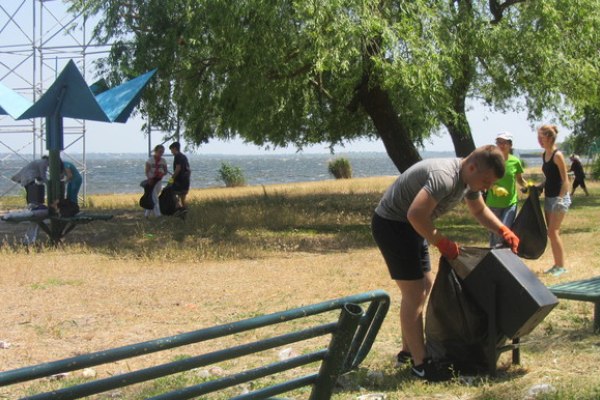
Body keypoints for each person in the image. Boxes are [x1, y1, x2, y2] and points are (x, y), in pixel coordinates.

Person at [371, 145, 520, 382]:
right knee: (415, 294)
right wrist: (442, 242)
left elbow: (479, 210)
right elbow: (415, 214)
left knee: (425, 285)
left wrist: (503, 230)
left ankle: (408, 352)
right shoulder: (445, 177)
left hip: (413, 226)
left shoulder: (468, 180)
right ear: (472, 167)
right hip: (393, 225)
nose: (487, 187)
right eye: (485, 181)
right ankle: (421, 365)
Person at [537, 125, 571, 276]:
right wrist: (538, 187)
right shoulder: (544, 154)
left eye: (541, 137)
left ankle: (561, 267)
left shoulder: (558, 155)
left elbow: (565, 180)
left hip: (559, 198)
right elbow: (549, 178)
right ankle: (556, 265)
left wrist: (560, 198)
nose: (539, 140)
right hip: (548, 197)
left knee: (553, 232)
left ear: (549, 138)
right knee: (551, 233)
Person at [486, 132, 527, 247]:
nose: (501, 145)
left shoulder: (515, 161)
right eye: (499, 142)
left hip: (510, 204)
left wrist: (528, 187)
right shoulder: (491, 161)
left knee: (504, 231)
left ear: (510, 145)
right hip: (493, 204)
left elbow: (519, 180)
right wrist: (494, 187)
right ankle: (494, 258)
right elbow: (483, 180)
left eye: (505, 143)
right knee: (494, 234)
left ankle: (503, 257)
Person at [144, 144, 168, 218]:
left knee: (154, 197)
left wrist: (162, 174)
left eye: (162, 152)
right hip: (151, 180)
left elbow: (165, 171)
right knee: (155, 198)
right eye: (160, 152)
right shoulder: (150, 160)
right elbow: (147, 171)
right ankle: (158, 215)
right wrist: (149, 178)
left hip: (158, 180)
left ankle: (146, 214)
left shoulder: (163, 160)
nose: (161, 153)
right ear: (156, 151)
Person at [169, 141, 191, 209]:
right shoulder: (184, 157)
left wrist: (171, 179)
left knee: (170, 192)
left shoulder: (177, 156)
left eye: (171, 150)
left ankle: (178, 208)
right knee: (183, 199)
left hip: (179, 181)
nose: (171, 152)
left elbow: (178, 169)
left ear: (175, 148)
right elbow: (189, 170)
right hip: (186, 181)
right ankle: (184, 212)